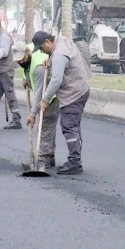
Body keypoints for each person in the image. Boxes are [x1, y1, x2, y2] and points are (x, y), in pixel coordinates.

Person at [27, 31, 92, 175]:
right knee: (74, 126)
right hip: (82, 88)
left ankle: (75, 162)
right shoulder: (62, 41)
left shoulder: (58, 55)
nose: (43, 52)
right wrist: (50, 62)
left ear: (47, 42)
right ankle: (75, 159)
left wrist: (45, 100)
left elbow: (56, 80)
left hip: (74, 93)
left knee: (69, 126)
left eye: (42, 49)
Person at [19, 43, 56, 168]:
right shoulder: (28, 57)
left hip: (51, 96)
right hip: (45, 93)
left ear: (27, 54)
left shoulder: (38, 67)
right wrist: (25, 77)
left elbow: (40, 93)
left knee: (45, 127)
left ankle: (42, 161)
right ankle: (50, 156)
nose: (20, 62)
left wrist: (33, 114)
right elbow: (26, 67)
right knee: (48, 128)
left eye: (21, 60)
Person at [0, 13, 22, 129]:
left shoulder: (4, 36)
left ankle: (16, 120)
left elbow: (4, 53)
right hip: (1, 70)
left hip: (6, 70)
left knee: (10, 95)